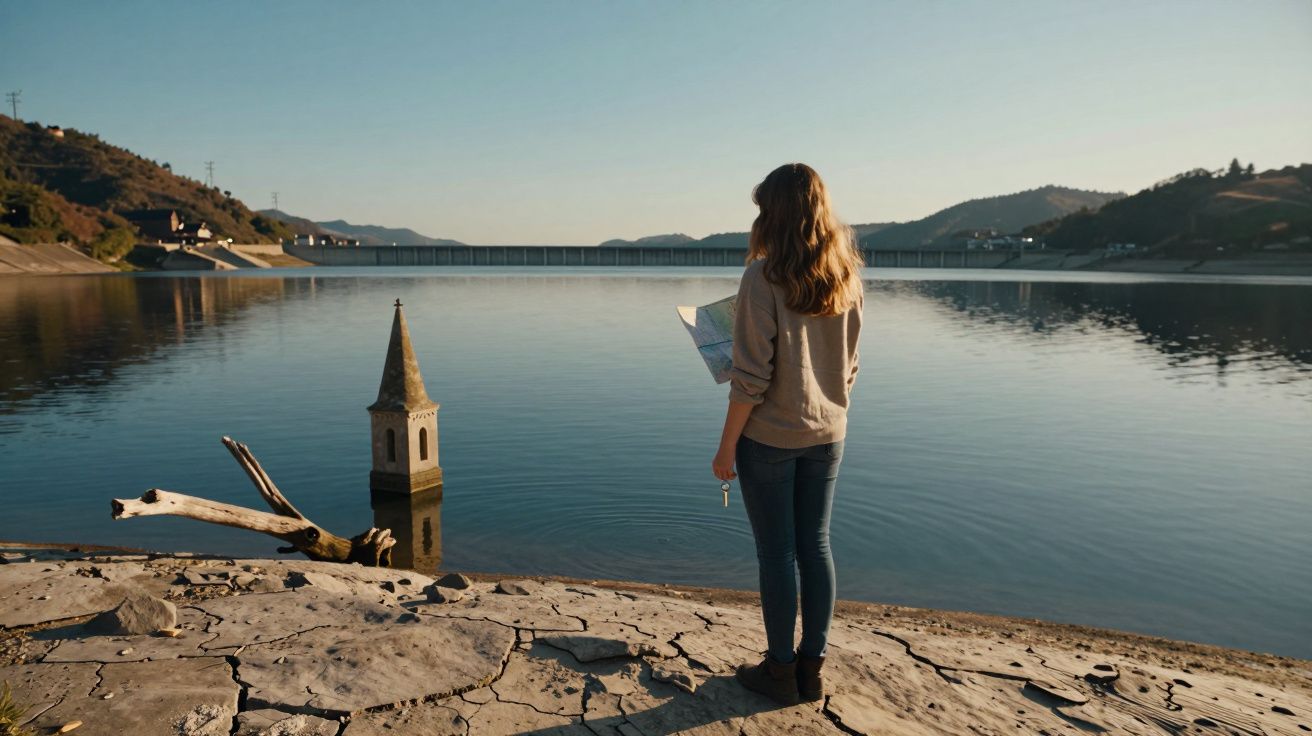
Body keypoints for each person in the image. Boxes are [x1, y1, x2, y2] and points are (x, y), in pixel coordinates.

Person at [712, 163, 864, 705]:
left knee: (777, 555)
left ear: (774, 213)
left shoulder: (762, 276)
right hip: (829, 432)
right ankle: (812, 668)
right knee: (816, 547)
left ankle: (778, 671)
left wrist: (726, 446)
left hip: (771, 437)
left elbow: (751, 379)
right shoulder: (845, 273)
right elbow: (849, 367)